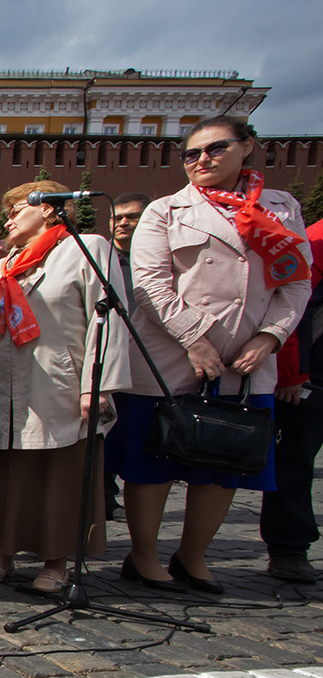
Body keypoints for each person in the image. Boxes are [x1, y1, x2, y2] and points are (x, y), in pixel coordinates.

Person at [111, 115, 312, 594]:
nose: (201, 159)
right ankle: (143, 556)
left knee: (225, 461)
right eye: (191, 153)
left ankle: (193, 555)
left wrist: (269, 338)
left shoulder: (280, 210)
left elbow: (296, 282)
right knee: (151, 462)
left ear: (247, 146)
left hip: (245, 362)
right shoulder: (166, 210)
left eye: (215, 148)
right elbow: (150, 284)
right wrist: (195, 338)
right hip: (170, 358)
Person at [0, 180, 130, 594]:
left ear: (48, 208)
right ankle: (3, 554)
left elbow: (107, 319)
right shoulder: (3, 266)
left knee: (58, 474)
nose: (8, 220)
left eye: (17, 210)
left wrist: (97, 386)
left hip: (58, 384)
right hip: (4, 387)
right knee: (6, 472)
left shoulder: (86, 249)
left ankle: (56, 562)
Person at [259, 219, 323, 584]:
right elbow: (294, 305)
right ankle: (289, 547)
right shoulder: (316, 239)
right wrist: (292, 372)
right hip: (311, 372)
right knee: (295, 461)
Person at [104, 192, 152, 517]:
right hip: (109, 356)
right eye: (117, 217)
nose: (123, 223)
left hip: (148, 360)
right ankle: (104, 497)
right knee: (105, 433)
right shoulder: (100, 258)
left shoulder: (159, 259)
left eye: (132, 217)